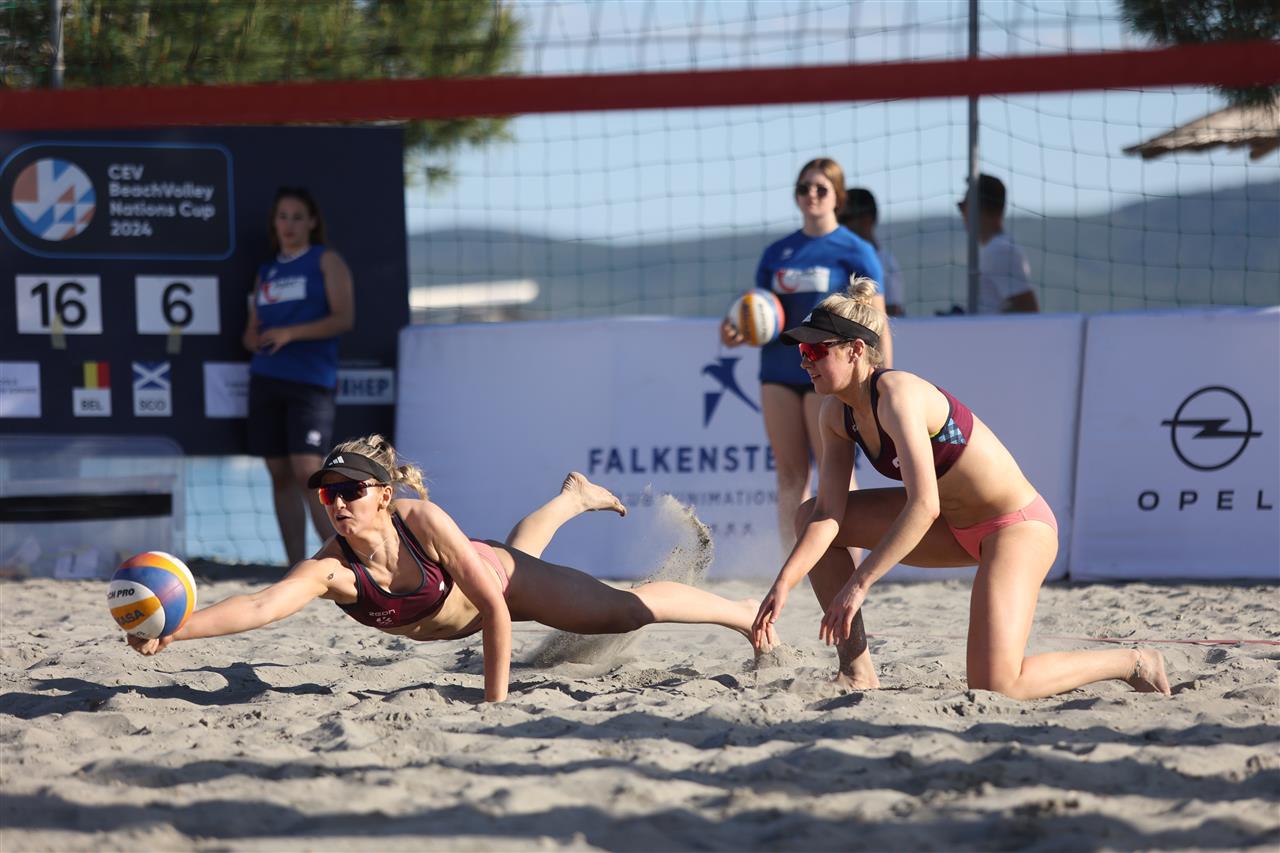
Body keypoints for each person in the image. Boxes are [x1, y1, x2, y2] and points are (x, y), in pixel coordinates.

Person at [750, 280, 1170, 699]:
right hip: (952, 527)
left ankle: (1135, 661)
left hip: (1014, 528)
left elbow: (923, 505)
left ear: (856, 349)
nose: (804, 362)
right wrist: (784, 582)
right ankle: (857, 672)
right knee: (809, 514)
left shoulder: (896, 394)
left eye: (815, 351)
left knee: (998, 685)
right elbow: (829, 514)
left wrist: (858, 586)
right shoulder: (835, 412)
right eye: (801, 351)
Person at [127, 435, 765, 703]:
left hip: (502, 588)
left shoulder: (422, 520)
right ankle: (571, 499)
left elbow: (495, 608)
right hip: (476, 581)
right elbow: (261, 606)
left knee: (622, 610)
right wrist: (175, 629)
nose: (338, 503)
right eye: (327, 494)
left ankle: (740, 613)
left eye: (350, 491)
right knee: (519, 552)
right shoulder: (333, 569)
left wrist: (494, 701)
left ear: (383, 494)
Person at [721, 157, 892, 556]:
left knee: (835, 474)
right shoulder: (777, 252)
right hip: (779, 369)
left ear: (838, 197)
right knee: (790, 476)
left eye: (820, 188)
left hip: (831, 373)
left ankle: (848, 562)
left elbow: (877, 322)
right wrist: (735, 329)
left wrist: (880, 376)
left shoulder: (856, 250)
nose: (811, 195)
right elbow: (757, 311)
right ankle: (792, 563)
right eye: (803, 188)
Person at [242, 186, 355, 566]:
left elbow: (344, 318)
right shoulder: (267, 271)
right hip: (266, 377)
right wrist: (253, 338)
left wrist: (291, 333)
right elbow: (251, 329)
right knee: (278, 473)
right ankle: (295, 565)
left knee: (309, 470)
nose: (289, 224)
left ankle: (338, 561)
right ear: (274, 223)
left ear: (311, 222)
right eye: (282, 217)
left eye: (296, 217)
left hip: (310, 380)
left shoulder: (326, 260)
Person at [957, 173, 1039, 314]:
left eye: (963, 205)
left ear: (978, 208)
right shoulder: (997, 249)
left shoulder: (1000, 251)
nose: (962, 213)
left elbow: (1029, 311)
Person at [839, 188, 905, 316]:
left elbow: (893, 312)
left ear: (866, 219)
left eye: (843, 219)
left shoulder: (884, 263)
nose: (837, 225)